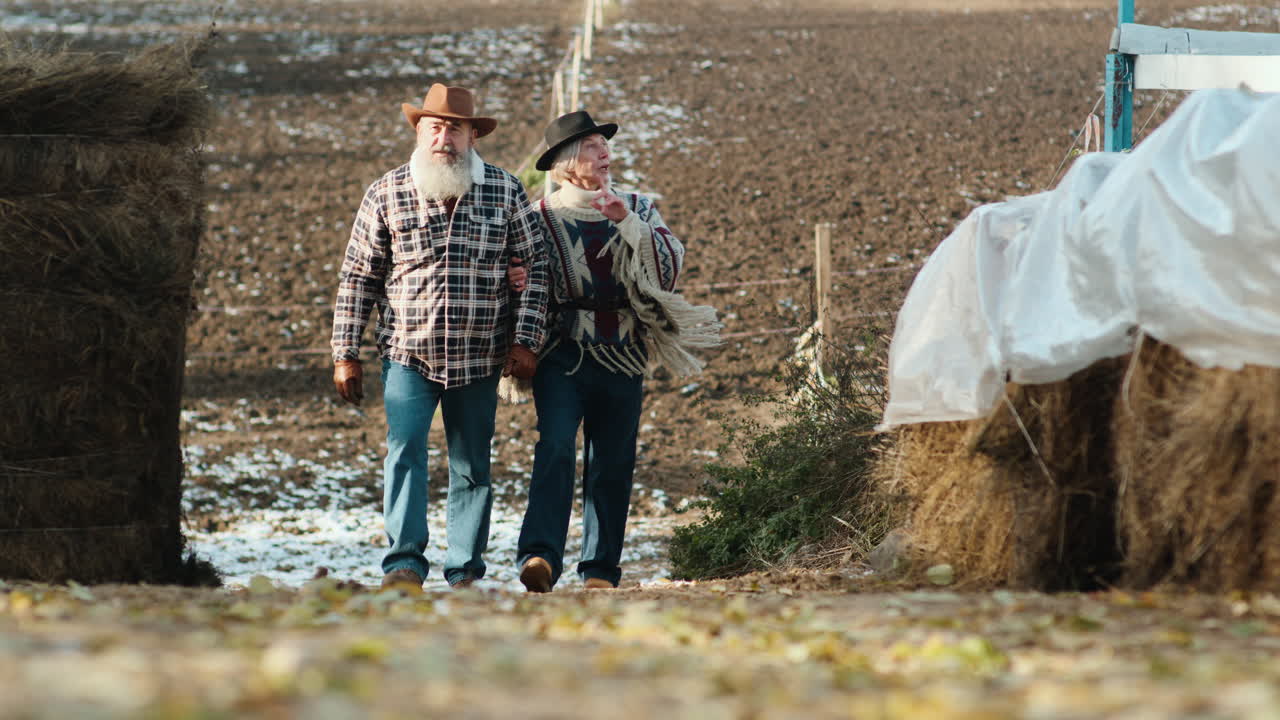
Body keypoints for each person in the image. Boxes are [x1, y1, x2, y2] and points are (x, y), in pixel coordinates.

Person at [331, 83, 549, 590]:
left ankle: (465, 570)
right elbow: (359, 276)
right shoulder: (385, 192)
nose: (443, 138)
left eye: (455, 128)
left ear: (473, 136)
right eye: (434, 126)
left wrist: (526, 341)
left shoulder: (505, 190)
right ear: (419, 132)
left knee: (471, 463)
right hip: (408, 352)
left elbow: (535, 268)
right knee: (403, 452)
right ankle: (404, 564)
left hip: (480, 355)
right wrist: (346, 353)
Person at [514, 110, 721, 593]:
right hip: (561, 354)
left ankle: (600, 571)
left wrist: (626, 223)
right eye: (591, 147)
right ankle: (540, 556)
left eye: (604, 146)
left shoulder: (638, 207)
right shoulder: (538, 217)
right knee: (556, 447)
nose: (604, 153)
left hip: (624, 352)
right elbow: (519, 271)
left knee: (613, 460)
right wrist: (515, 279)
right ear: (566, 164)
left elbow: (669, 267)